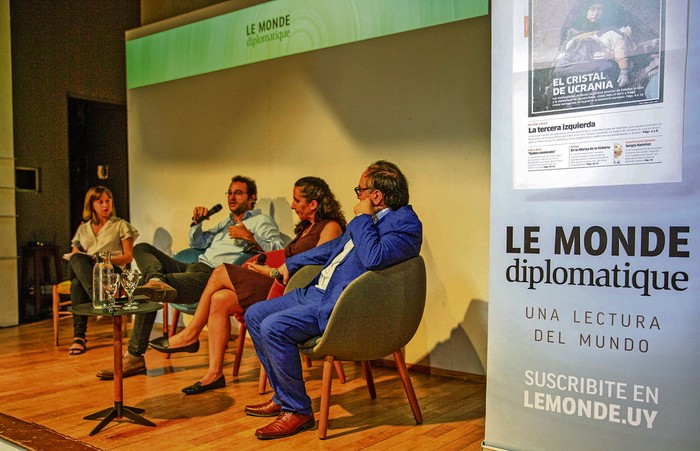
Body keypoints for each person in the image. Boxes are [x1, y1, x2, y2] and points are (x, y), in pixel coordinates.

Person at [243, 161, 422, 440]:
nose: (358, 196)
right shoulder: (369, 218)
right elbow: (334, 249)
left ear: (376, 196)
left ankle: (297, 411)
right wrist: (290, 264)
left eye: (360, 190)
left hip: (342, 307)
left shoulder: (404, 224)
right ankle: (283, 395)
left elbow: (375, 257)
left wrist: (363, 218)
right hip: (316, 292)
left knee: (273, 327)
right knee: (255, 314)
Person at [148, 177, 347, 395]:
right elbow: (286, 257)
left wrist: (270, 268)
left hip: (293, 288)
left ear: (313, 204)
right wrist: (269, 268)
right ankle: (214, 374)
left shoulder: (330, 227)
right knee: (219, 299)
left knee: (221, 271)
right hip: (277, 279)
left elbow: (318, 266)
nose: (292, 205)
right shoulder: (306, 227)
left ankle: (191, 333)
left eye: (297, 200)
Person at [95, 175, 285, 379]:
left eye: (238, 193)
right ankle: (157, 279)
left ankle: (134, 356)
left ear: (252, 197)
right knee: (142, 248)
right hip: (194, 266)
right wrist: (197, 223)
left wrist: (251, 238)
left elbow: (277, 250)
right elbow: (197, 243)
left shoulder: (261, 221)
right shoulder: (225, 222)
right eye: (229, 193)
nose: (232, 197)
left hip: (212, 275)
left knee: (143, 286)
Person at [66, 186, 138, 355]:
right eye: (100, 202)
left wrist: (102, 260)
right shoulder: (83, 229)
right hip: (88, 271)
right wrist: (88, 260)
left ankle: (79, 338)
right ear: (92, 205)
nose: (106, 205)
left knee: (77, 285)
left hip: (111, 271)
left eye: (108, 201)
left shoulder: (120, 225)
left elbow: (128, 257)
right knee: (76, 259)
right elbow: (75, 257)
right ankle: (96, 296)